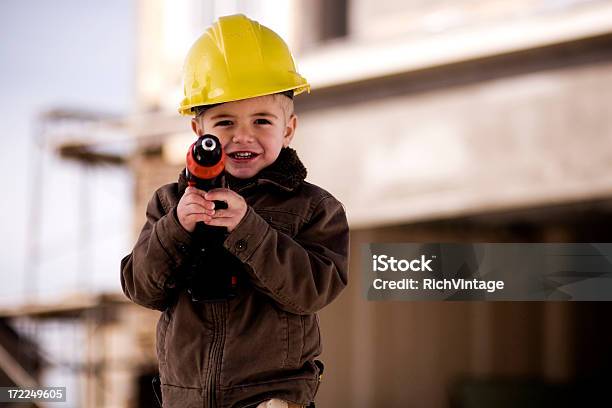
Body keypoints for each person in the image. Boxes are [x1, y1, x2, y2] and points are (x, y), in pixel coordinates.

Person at [120, 14, 349, 408]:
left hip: (270, 400)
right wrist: (176, 228)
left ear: (288, 129)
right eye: (225, 122)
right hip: (186, 400)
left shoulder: (314, 207)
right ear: (199, 131)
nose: (243, 136)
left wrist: (249, 229)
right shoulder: (169, 203)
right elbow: (142, 287)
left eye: (262, 120)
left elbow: (312, 290)